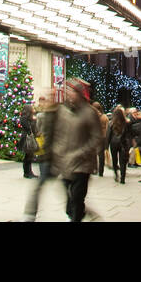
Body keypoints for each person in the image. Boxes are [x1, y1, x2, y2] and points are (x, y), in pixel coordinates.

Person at [50, 78, 103, 221]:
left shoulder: (89, 112)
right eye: (67, 90)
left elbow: (96, 138)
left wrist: (81, 153)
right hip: (66, 162)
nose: (69, 93)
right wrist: (56, 152)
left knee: (77, 198)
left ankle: (77, 216)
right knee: (69, 201)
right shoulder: (62, 110)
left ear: (80, 93)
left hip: (82, 164)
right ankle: (78, 213)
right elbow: (57, 133)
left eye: (72, 91)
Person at [23, 97, 58, 220]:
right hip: (46, 155)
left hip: (56, 157)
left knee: (66, 187)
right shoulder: (43, 116)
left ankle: (75, 211)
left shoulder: (58, 116)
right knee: (40, 185)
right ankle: (30, 214)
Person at [108, 106, 131, 182]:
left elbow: (108, 135)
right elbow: (129, 134)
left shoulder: (111, 123)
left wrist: (106, 146)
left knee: (115, 160)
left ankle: (116, 174)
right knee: (122, 161)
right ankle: (122, 177)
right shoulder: (126, 123)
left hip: (113, 143)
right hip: (123, 143)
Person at [21, 99, 38, 178]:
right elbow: (28, 128)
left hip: (30, 137)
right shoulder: (24, 118)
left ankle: (28, 172)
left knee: (29, 156)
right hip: (27, 139)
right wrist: (33, 121)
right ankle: (27, 172)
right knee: (28, 156)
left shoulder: (30, 118)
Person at [92, 101, 109, 177]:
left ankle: (94, 169)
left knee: (93, 154)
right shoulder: (104, 117)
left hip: (94, 136)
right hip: (102, 137)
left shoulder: (92, 116)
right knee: (101, 155)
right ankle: (101, 171)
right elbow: (107, 127)